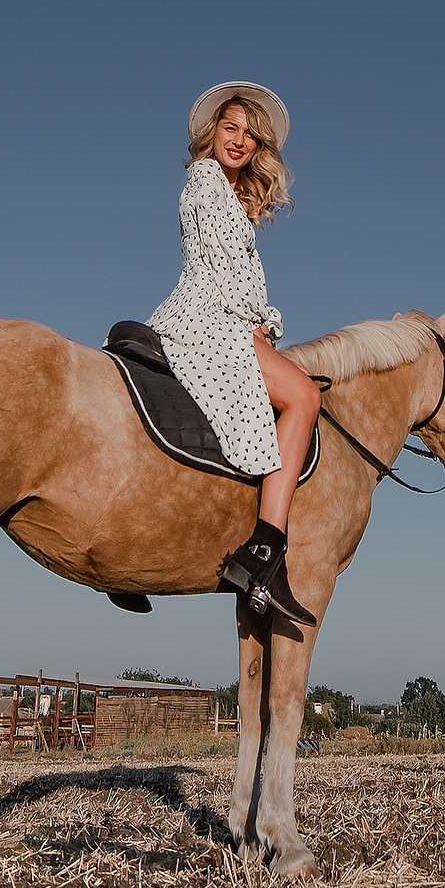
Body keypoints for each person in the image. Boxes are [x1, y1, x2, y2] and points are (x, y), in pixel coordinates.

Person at [145, 81, 324, 621]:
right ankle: (266, 548)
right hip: (213, 320)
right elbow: (220, 273)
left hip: (217, 316)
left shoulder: (227, 195)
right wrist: (256, 328)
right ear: (211, 134)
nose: (240, 140)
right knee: (304, 398)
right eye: (231, 128)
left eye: (250, 134)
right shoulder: (204, 186)